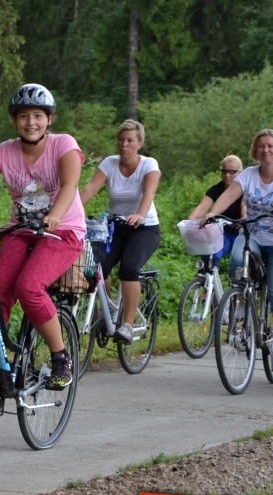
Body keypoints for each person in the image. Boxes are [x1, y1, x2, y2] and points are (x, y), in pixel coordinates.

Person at [0, 83, 86, 405]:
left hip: (62, 230)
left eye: (38, 115)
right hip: (20, 230)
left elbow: (69, 185)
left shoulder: (64, 145)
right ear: (15, 121)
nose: (31, 122)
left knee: (30, 286)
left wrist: (55, 215)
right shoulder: (4, 152)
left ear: (49, 119)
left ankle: (60, 357)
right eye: (23, 116)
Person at [205, 128, 273, 374]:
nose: (266, 150)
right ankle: (244, 298)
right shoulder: (248, 175)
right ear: (255, 151)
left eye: (271, 146)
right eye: (261, 146)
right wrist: (213, 213)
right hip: (254, 236)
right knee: (239, 259)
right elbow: (229, 195)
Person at [80, 119, 161, 345]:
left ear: (140, 143)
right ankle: (107, 313)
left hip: (144, 228)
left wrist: (140, 214)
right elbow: (91, 189)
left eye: (130, 140)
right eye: (121, 140)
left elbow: (149, 191)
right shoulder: (109, 163)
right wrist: (68, 210)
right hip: (116, 227)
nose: (124, 144)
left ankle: (127, 323)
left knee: (128, 267)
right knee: (95, 268)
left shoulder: (148, 164)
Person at [188, 155, 245, 268]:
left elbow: (245, 206)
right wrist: (189, 222)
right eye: (224, 171)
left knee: (239, 262)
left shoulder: (245, 189)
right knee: (210, 255)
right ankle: (209, 281)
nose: (227, 175)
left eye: (232, 172)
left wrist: (243, 219)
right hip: (222, 232)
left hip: (241, 233)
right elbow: (203, 207)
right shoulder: (216, 189)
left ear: (240, 173)